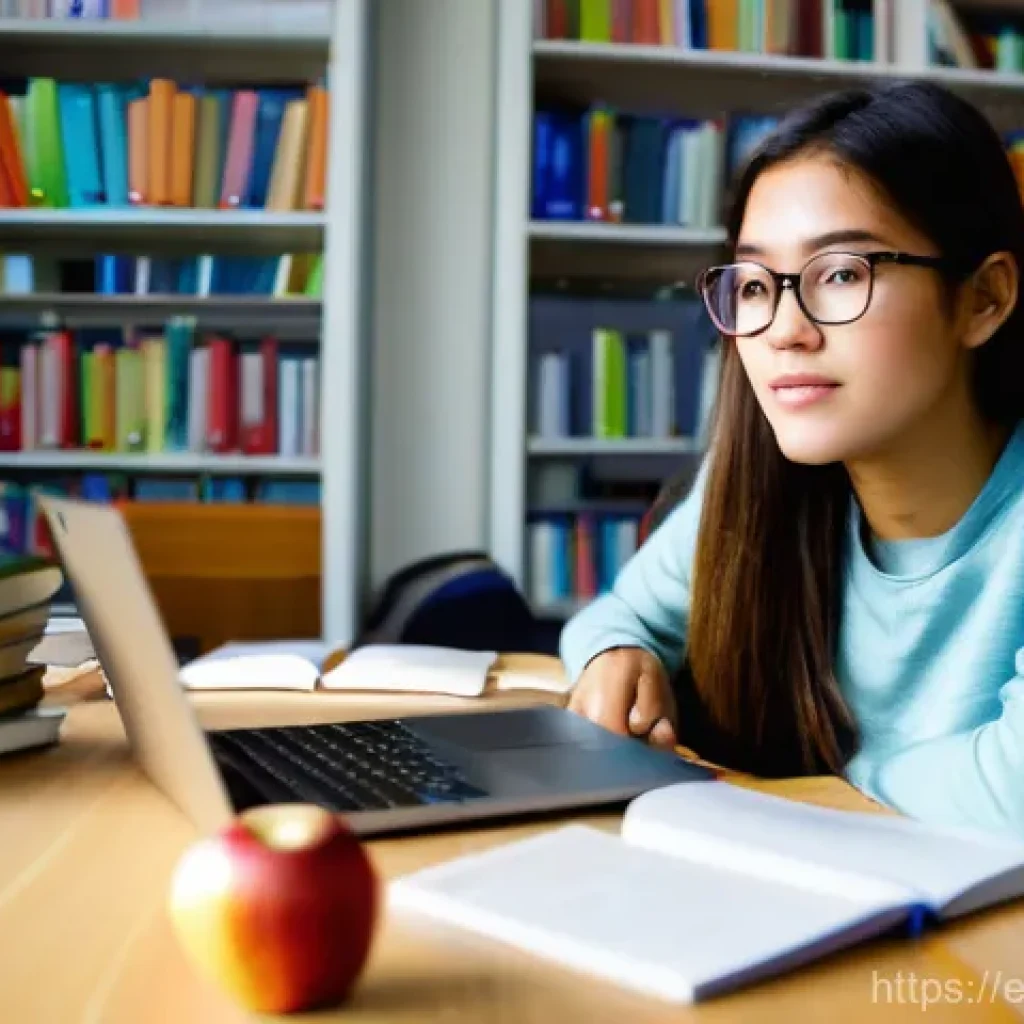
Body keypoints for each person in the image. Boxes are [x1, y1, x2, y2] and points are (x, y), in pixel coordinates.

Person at [560, 80, 1024, 839]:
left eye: (841, 272)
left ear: (983, 299)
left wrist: (823, 782)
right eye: (752, 283)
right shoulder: (758, 486)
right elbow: (622, 614)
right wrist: (615, 655)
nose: (781, 329)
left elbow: (1013, 794)